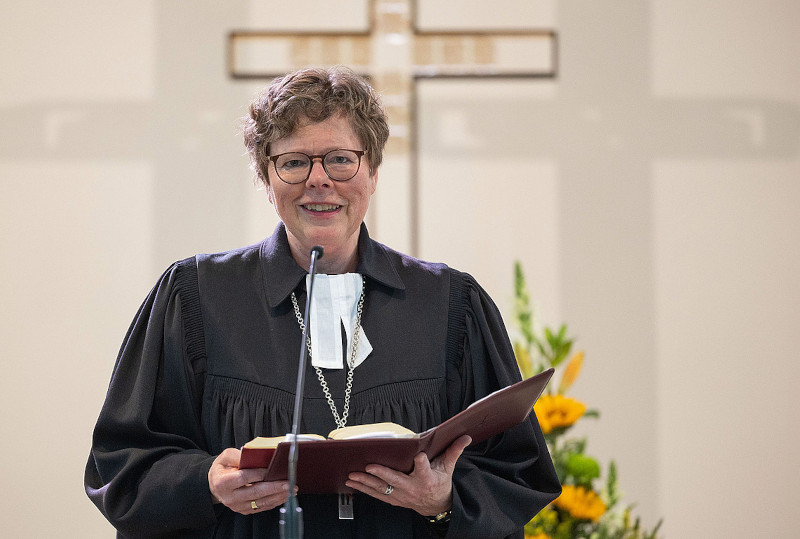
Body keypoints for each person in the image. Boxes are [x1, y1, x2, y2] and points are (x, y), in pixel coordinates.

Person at [85, 66, 561, 538]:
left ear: (372, 172)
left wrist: (444, 501)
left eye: (340, 159)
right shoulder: (195, 298)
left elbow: (514, 470)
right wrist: (205, 482)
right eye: (293, 162)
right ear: (266, 181)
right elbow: (121, 465)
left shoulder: (450, 306)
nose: (318, 180)